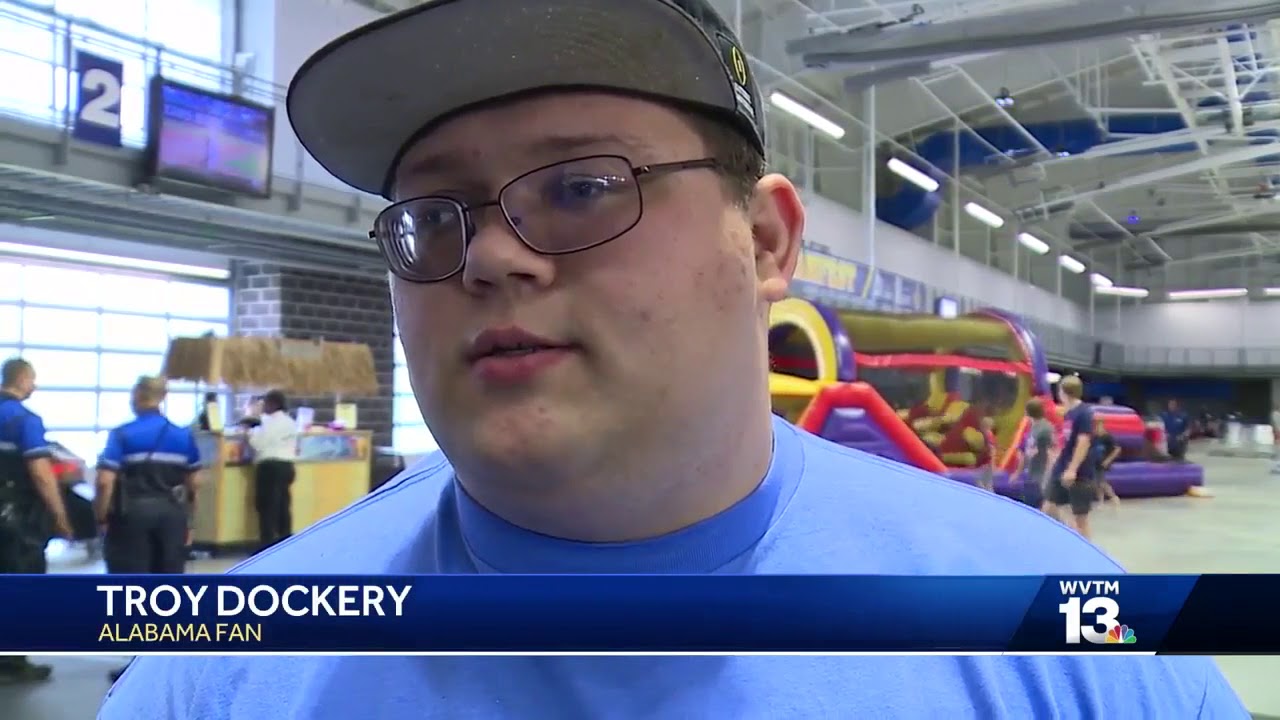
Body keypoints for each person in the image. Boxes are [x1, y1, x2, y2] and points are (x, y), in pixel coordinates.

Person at [99, 1, 1246, 717]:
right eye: (430, 215)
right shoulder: (221, 669)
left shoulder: (1073, 636)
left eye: (581, 187)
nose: (490, 256)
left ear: (762, 242)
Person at [95, 376, 204, 682]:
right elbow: (195, 483)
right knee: (169, 588)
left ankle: (137, 665)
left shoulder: (122, 435)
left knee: (132, 589)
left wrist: (101, 516)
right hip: (171, 515)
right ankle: (168, 663)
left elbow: (105, 481)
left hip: (131, 517)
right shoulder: (182, 436)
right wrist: (189, 522)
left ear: (138, 395)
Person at [0, 357, 72, 685]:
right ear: (22, 379)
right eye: (33, 380)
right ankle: (13, 663)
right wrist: (59, 515)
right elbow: (40, 473)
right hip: (17, 520)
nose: (35, 386)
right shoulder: (23, 420)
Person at [1048, 375, 1100, 539]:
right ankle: (1065, 536)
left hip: (1079, 474)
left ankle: (1089, 554)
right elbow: (1066, 441)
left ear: (1063, 392)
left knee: (1080, 519)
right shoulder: (1069, 414)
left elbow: (1083, 442)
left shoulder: (1083, 413)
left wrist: (1072, 469)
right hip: (1061, 468)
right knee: (1049, 507)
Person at [248, 390, 296, 551]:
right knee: (283, 505)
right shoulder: (290, 421)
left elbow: (258, 444)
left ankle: (266, 545)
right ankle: (286, 541)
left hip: (270, 467)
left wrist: (248, 433)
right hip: (287, 467)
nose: (263, 407)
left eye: (266, 403)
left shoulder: (268, 423)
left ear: (273, 404)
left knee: (267, 506)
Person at [1014, 397, 1056, 511]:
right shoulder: (1034, 427)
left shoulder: (1045, 428)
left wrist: (1049, 472)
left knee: (1041, 505)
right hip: (1032, 471)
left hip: (1040, 472)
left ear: (1028, 412)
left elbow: (1051, 451)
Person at [1091, 417, 1121, 507]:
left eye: (1097, 426)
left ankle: (1114, 498)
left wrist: (1108, 460)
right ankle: (1101, 500)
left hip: (1103, 462)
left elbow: (1117, 449)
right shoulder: (1094, 437)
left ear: (1102, 426)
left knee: (1102, 482)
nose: (1095, 429)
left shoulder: (1107, 437)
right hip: (1095, 461)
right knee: (1096, 482)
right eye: (1094, 427)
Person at [975, 416, 997, 491]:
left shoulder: (988, 435)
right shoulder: (986, 435)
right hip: (986, 462)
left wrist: (992, 463)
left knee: (984, 482)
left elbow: (992, 449)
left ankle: (988, 495)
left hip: (987, 462)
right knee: (985, 482)